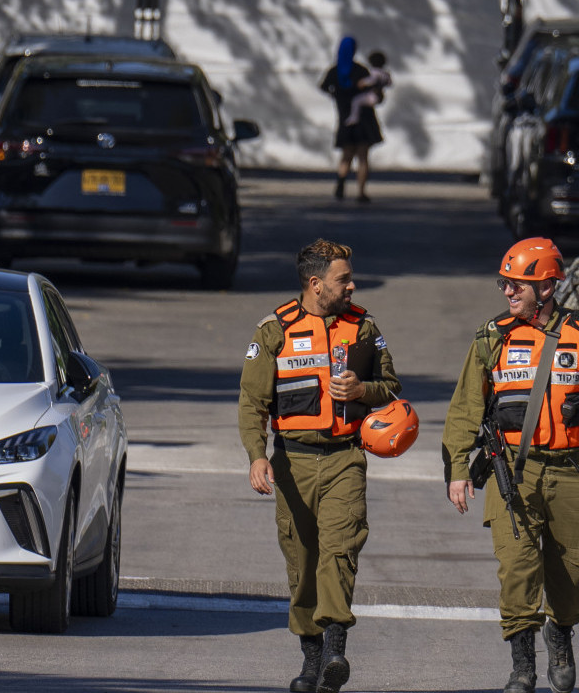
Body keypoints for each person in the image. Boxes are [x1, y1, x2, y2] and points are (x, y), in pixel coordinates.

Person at [443, 237, 579, 693]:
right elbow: (463, 409)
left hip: (574, 471)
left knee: (577, 572)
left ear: (549, 287)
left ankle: (561, 630)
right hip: (513, 473)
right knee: (516, 568)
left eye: (519, 285)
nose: (508, 292)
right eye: (505, 283)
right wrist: (457, 467)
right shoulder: (491, 338)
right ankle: (522, 666)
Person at [238, 238, 402, 693]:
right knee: (302, 561)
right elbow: (252, 402)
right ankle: (311, 660)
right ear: (315, 284)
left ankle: (335, 648)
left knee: (339, 551)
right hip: (292, 463)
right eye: (343, 279)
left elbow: (390, 385)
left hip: (345, 458)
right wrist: (256, 456)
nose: (352, 286)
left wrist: (362, 391)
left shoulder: (363, 327)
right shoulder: (274, 330)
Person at [319, 37, 384, 203]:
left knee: (346, 155)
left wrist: (336, 94)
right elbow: (374, 91)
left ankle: (341, 183)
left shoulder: (334, 71)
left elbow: (323, 86)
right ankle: (361, 192)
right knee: (363, 157)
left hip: (344, 118)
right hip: (364, 119)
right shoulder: (361, 71)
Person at [345, 50, 391, 128]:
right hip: (381, 96)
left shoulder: (375, 72)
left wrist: (362, 82)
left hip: (373, 95)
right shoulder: (385, 73)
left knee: (356, 100)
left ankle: (354, 118)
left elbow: (372, 80)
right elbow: (389, 83)